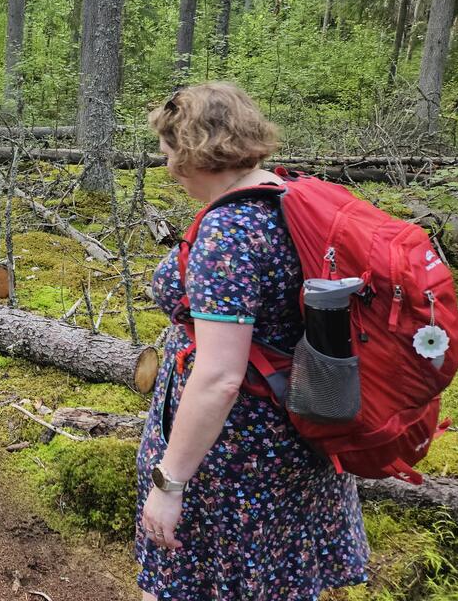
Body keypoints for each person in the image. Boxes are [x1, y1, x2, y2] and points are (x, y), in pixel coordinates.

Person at [136, 82, 368, 599]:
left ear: (192, 148)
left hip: (236, 458)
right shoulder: (289, 196)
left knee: (190, 586)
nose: (166, 163)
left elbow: (219, 377)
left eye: (168, 148)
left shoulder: (231, 233)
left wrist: (170, 484)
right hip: (297, 438)